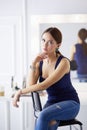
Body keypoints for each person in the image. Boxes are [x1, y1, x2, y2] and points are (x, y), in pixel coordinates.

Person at [13, 27, 80, 130]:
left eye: (50, 42)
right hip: (52, 104)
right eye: (43, 40)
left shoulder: (64, 62)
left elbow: (43, 85)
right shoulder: (40, 63)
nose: (45, 45)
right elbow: (31, 86)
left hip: (70, 104)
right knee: (48, 123)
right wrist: (34, 63)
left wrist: (19, 92)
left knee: (43, 116)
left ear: (58, 45)